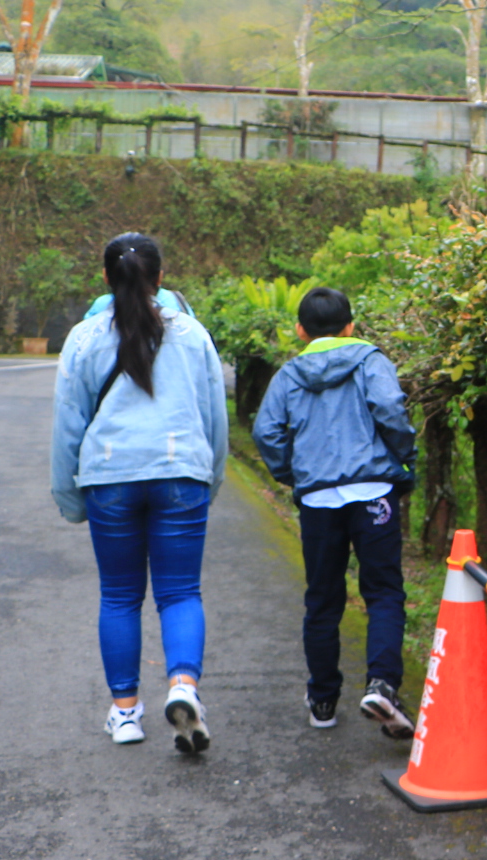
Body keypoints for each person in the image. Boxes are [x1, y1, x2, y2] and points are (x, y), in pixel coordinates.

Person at [51, 233, 228, 753]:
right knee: (179, 592)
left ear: (105, 277)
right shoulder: (193, 334)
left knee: (120, 595)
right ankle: (183, 686)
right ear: (160, 277)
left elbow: (68, 426)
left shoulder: (83, 339)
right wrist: (209, 480)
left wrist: (70, 498)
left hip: (109, 479)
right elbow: (215, 418)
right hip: (181, 476)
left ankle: (125, 714)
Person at [252, 286, 417, 737]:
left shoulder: (289, 374)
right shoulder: (370, 361)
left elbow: (266, 431)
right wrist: (404, 457)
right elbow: (390, 409)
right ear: (350, 325)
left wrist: (294, 473)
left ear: (301, 330)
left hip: (319, 499)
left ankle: (323, 700)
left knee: (323, 599)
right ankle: (382, 685)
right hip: (373, 492)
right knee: (383, 591)